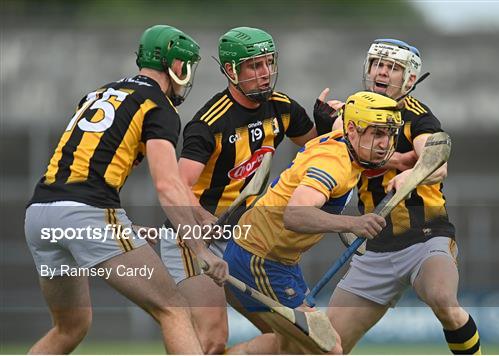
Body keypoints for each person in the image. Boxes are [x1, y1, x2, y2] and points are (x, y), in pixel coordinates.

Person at [24, 25, 227, 354]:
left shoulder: (99, 94)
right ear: (177, 66)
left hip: (40, 216)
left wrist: (127, 230)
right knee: (173, 308)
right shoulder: (159, 107)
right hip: (86, 215)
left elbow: (88, 167)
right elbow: (167, 183)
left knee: (70, 326)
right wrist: (200, 251)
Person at [159, 26, 341, 354]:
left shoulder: (282, 108)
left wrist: (327, 128)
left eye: (269, 63)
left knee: (293, 340)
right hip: (192, 236)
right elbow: (179, 185)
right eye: (255, 66)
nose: (266, 73)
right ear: (231, 71)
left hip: (242, 240)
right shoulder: (209, 124)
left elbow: (318, 150)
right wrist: (202, 221)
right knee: (212, 339)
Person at [327, 39, 482, 355]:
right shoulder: (350, 116)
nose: (382, 72)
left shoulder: (418, 117)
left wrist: (410, 175)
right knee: (326, 345)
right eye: (378, 64)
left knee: (443, 300)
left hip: (425, 238)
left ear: (409, 79)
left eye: (393, 68)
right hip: (376, 249)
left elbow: (437, 163)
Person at [222, 91, 403, 354]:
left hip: (274, 260)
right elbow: (295, 214)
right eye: (377, 134)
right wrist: (352, 224)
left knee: (288, 347)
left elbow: (342, 121)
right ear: (353, 130)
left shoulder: (343, 140)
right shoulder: (333, 164)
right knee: (327, 349)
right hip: (259, 258)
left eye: (389, 134)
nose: (385, 143)